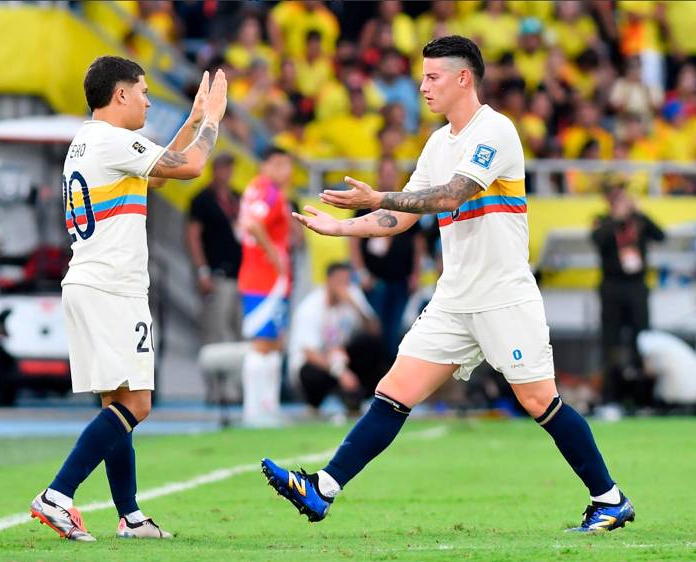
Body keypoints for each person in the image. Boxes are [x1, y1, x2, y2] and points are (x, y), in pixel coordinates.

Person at [262, 36, 635, 533]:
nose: (423, 87)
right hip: (455, 297)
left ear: (464, 78)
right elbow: (401, 216)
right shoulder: (439, 142)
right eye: (422, 76)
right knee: (393, 390)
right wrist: (343, 228)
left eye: (432, 76)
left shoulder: (496, 131)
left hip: (502, 296)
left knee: (538, 401)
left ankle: (609, 498)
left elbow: (452, 195)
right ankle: (322, 489)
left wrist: (380, 196)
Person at [30, 56, 227, 541]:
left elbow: (157, 175)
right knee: (136, 404)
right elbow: (193, 166)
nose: (147, 100)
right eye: (142, 91)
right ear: (119, 94)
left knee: (117, 401)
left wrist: (193, 120)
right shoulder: (111, 140)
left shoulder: (87, 141)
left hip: (89, 281)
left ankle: (131, 515)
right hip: (112, 287)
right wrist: (214, 123)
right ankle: (57, 495)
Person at [591, 185, 665, 413]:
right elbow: (597, 240)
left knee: (642, 341)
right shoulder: (602, 221)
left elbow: (661, 236)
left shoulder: (639, 221)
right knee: (611, 342)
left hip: (637, 286)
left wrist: (640, 212)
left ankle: (643, 399)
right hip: (612, 286)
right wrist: (615, 219)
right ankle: (611, 399)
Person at [237, 147, 293, 426]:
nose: (287, 171)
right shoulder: (269, 192)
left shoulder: (255, 188)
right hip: (263, 279)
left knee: (272, 342)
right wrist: (275, 256)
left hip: (264, 279)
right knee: (262, 344)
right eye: (280, 164)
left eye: (288, 165)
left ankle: (267, 406)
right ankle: (255, 410)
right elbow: (253, 224)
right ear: (266, 165)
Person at [349, 156, 425, 361]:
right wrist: (361, 272)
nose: (389, 177)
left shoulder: (405, 203)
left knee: (395, 331)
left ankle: (390, 375)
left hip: (401, 280)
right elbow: (354, 239)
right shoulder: (365, 204)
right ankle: (374, 376)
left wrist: (416, 274)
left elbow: (418, 242)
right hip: (375, 281)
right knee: (375, 330)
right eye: (386, 173)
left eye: (393, 173)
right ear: (379, 175)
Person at [289, 262, 386, 417]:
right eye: (339, 282)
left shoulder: (353, 295)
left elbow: (375, 330)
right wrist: (340, 372)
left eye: (346, 282)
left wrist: (355, 305)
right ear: (328, 281)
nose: (343, 287)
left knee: (371, 345)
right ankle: (313, 403)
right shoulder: (310, 307)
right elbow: (308, 352)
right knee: (311, 372)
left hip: (342, 357)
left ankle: (358, 400)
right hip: (319, 363)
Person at [186, 153, 243, 402]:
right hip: (217, 274)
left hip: (240, 274)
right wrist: (202, 270)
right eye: (223, 168)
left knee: (238, 332)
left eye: (230, 168)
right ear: (214, 170)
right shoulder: (202, 200)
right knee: (216, 332)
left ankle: (236, 388)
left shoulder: (236, 198)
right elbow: (193, 236)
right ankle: (217, 390)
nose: (226, 173)